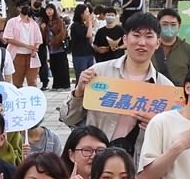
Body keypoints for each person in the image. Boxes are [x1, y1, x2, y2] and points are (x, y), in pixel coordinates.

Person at [63, 11, 172, 146]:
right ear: (125, 39)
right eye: (136, 36)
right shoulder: (98, 73)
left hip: (138, 164)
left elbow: (172, 135)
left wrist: (158, 125)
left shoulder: (166, 88)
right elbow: (68, 119)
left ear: (157, 43)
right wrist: (79, 93)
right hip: (97, 160)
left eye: (149, 37)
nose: (142, 43)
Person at [2, 1, 44, 89]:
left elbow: (38, 39)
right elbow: (8, 39)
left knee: (32, 82)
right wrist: (26, 46)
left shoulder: (33, 23)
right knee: (17, 82)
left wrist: (35, 49)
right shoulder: (12, 22)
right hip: (17, 55)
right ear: (18, 8)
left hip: (31, 56)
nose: (26, 8)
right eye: (23, 6)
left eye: (28, 6)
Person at [152, 7, 190, 85]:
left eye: (173, 24)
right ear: (158, 25)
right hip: (152, 94)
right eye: (165, 24)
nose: (169, 28)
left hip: (179, 95)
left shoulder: (188, 49)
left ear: (179, 26)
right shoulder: (150, 46)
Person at [44, 3, 71, 90]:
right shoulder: (46, 22)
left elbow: (62, 34)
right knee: (54, 67)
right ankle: (56, 85)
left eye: (51, 9)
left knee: (62, 67)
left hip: (59, 48)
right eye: (47, 9)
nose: (49, 11)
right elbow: (45, 35)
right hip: (51, 49)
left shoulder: (59, 21)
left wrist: (53, 41)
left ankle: (65, 85)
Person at [68, 4, 96, 81]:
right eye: (86, 12)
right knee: (82, 78)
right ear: (81, 14)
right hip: (80, 55)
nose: (88, 14)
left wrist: (89, 24)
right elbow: (88, 35)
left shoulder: (83, 25)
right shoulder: (75, 25)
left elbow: (90, 39)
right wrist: (89, 22)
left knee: (90, 78)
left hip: (88, 53)